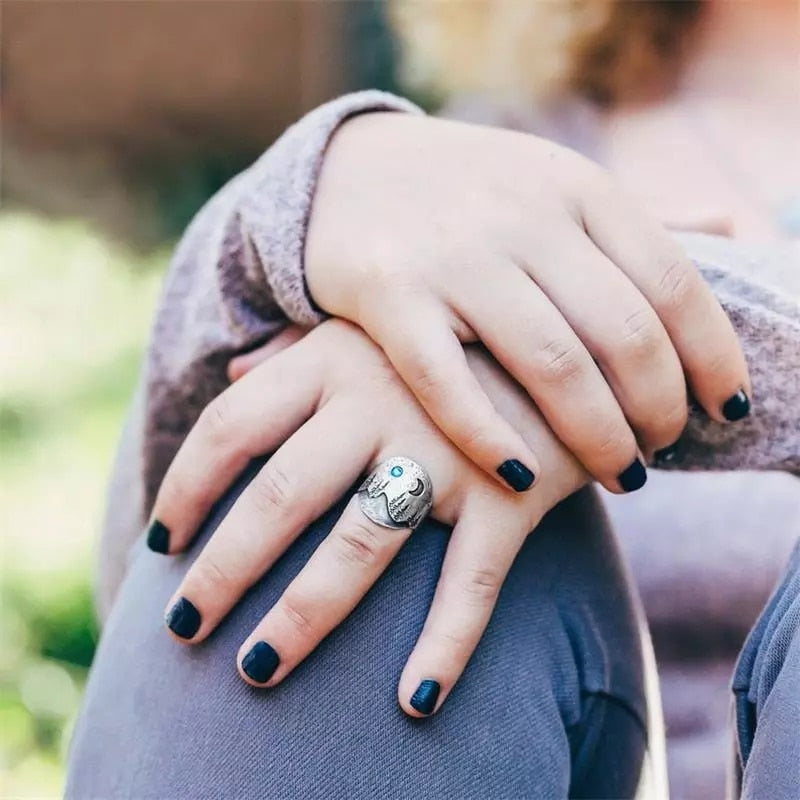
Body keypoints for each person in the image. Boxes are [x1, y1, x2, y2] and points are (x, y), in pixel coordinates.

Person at [66, 1, 799, 797]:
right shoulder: (493, 151)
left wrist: (634, 338)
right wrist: (270, 219)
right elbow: (146, 627)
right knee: (368, 459)